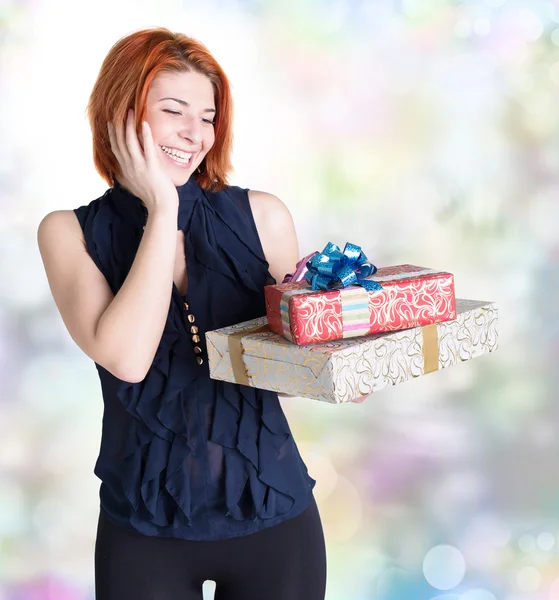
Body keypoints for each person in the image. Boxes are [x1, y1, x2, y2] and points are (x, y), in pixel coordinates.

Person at [37, 26, 367, 600]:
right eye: (174, 110)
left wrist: (342, 368)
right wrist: (163, 208)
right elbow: (128, 360)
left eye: (208, 116)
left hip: (275, 516)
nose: (196, 134)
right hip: (142, 532)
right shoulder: (68, 233)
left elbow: (281, 370)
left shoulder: (264, 217)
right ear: (122, 111)